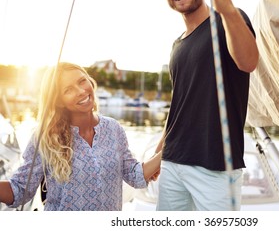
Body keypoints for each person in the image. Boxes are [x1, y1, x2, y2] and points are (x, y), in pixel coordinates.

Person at [155, 0, 259, 211]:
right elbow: (179, 104)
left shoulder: (228, 20)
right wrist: (159, 154)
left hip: (215, 167)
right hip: (172, 163)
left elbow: (248, 62)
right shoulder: (177, 44)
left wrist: (225, 4)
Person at [0, 62, 161, 211]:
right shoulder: (45, 137)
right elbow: (20, 190)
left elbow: (135, 176)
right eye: (68, 90)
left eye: (82, 81)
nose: (81, 91)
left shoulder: (114, 128)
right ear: (59, 101)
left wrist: (168, 149)